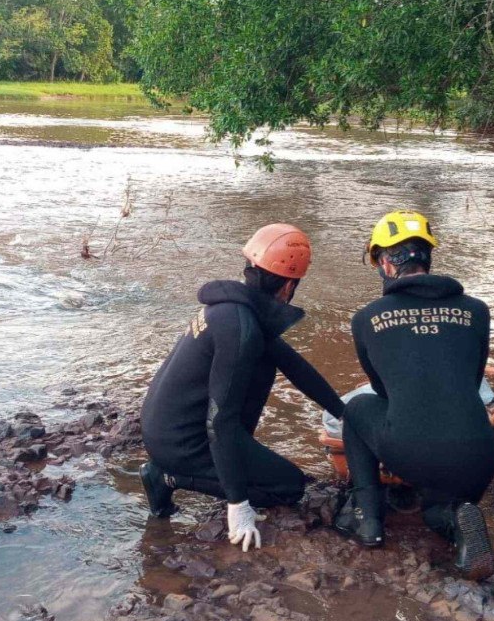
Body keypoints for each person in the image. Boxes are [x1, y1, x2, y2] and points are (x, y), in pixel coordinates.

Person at [139, 224, 346, 552]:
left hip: (162, 426)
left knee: (265, 361)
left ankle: (185, 470)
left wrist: (343, 413)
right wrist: (237, 503)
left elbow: (294, 366)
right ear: (289, 285)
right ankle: (168, 477)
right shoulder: (242, 330)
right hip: (181, 443)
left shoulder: (233, 308)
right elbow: (220, 421)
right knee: (289, 486)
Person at [336, 210, 494, 580]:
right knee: (435, 510)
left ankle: (369, 520)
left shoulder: (367, 318)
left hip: (413, 452)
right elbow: (472, 380)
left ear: (385, 263)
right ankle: (458, 517)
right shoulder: (476, 310)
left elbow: (382, 390)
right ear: (428, 256)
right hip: (480, 455)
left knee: (359, 408)